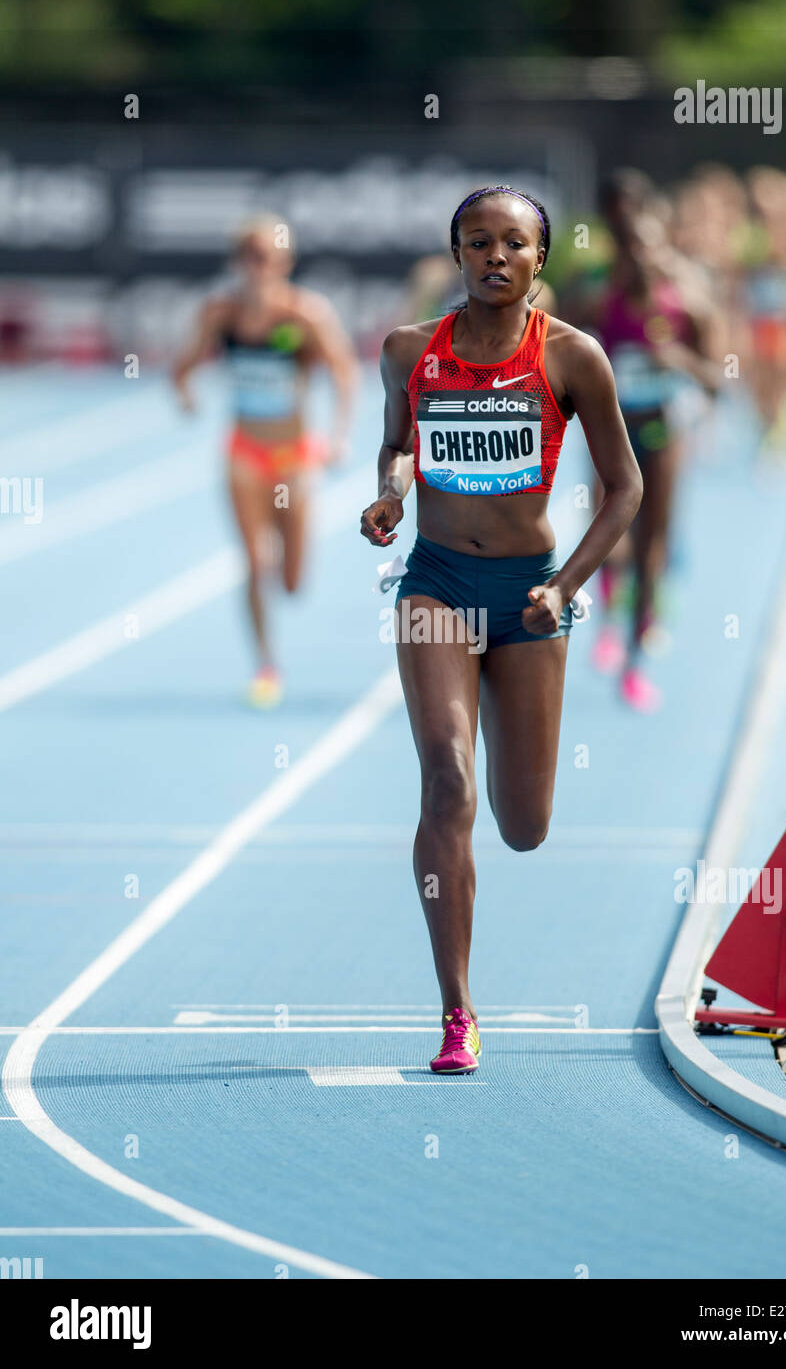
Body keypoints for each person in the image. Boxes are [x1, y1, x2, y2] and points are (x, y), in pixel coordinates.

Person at [360, 185, 642, 1072]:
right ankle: (458, 1011)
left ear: (538, 260)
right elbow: (399, 441)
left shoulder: (574, 358)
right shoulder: (411, 351)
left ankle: (513, 824)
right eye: (476, 242)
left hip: (529, 596)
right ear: (456, 255)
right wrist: (393, 494)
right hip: (436, 583)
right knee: (446, 780)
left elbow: (625, 487)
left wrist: (565, 588)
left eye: (511, 244)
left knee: (523, 825)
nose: (494, 257)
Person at [173, 214, 359, 707]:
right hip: (244, 453)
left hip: (293, 457)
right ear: (239, 261)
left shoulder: (305, 316)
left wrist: (338, 436)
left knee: (292, 582)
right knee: (254, 562)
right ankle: (265, 664)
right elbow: (183, 365)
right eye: (253, 257)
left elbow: (345, 372)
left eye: (272, 258)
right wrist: (185, 392)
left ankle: (283, 567)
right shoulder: (221, 314)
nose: (262, 267)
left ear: (286, 263)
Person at [593, 204, 722, 711]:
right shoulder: (599, 305)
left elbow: (718, 378)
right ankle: (606, 618)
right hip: (612, 434)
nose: (642, 255)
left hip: (662, 433)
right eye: (631, 246)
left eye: (650, 245)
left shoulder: (687, 307)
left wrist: (682, 361)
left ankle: (634, 660)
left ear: (664, 248)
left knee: (652, 546)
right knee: (607, 533)